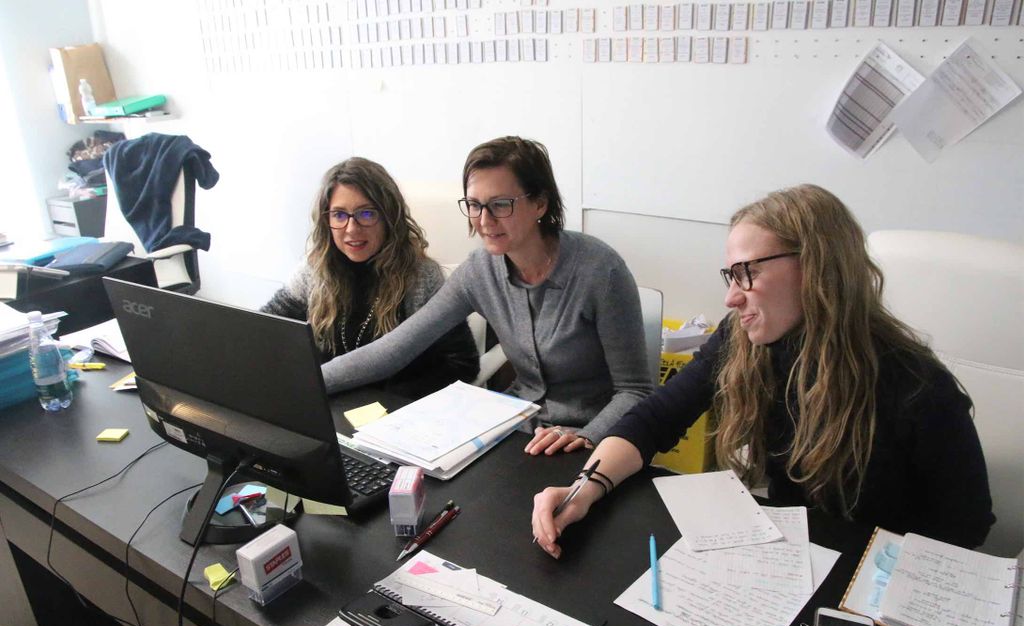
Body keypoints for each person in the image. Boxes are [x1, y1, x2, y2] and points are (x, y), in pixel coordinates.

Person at [532, 184, 994, 557]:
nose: (732, 297)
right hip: (793, 558)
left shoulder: (917, 387)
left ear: (818, 267)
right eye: (730, 275)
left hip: (872, 578)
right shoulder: (743, 340)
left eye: (747, 272)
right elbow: (656, 418)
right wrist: (582, 491)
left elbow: (966, 527)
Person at [320, 136, 653, 451]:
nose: (484, 220)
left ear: (540, 203)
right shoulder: (479, 271)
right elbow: (393, 349)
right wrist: (309, 382)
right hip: (518, 426)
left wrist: (588, 437)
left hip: (592, 435)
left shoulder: (601, 270)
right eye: (474, 205)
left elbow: (635, 391)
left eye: (500, 205)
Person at [261, 157, 479, 399]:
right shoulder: (313, 270)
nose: (352, 229)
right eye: (339, 215)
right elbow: (262, 332)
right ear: (326, 220)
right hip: (327, 403)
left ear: (389, 217)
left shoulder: (421, 277)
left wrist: (394, 400)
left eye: (366, 213)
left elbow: (463, 363)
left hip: (397, 411)